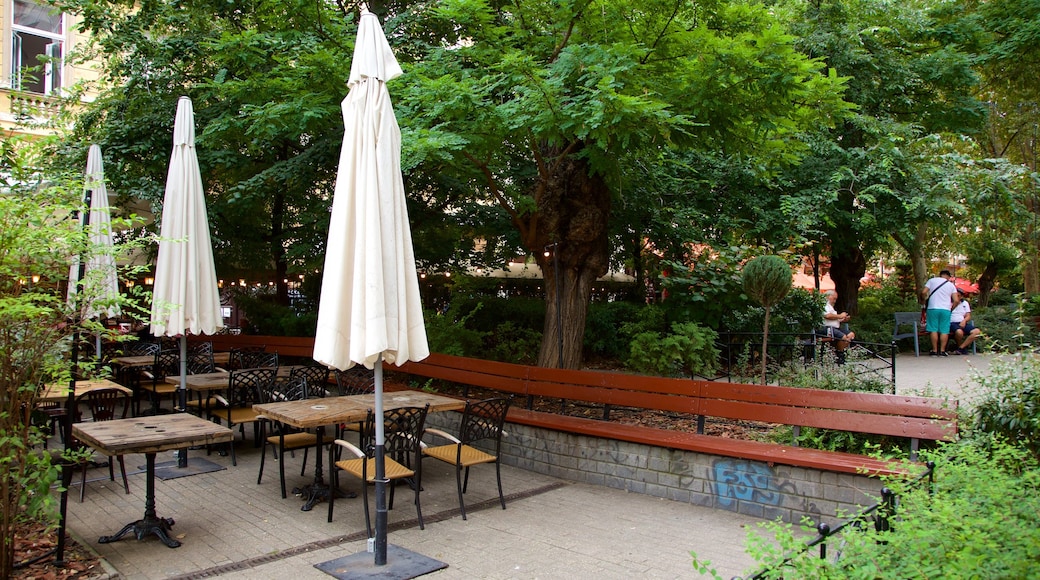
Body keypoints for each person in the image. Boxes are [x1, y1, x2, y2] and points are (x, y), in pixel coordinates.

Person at [921, 270, 956, 356]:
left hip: (933, 308)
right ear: (948, 276)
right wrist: (951, 308)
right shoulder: (951, 285)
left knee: (933, 329)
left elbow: (923, 292)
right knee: (944, 330)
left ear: (940, 275)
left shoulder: (932, 280)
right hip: (946, 309)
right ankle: (943, 351)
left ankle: (934, 350)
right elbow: (956, 300)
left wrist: (924, 300)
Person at [819, 290, 855, 360]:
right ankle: (840, 356)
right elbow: (827, 316)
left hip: (835, 328)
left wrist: (843, 319)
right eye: (834, 298)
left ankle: (841, 352)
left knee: (851, 335)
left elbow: (835, 318)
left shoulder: (830, 307)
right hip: (826, 328)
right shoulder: (824, 305)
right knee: (844, 337)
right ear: (828, 296)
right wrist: (840, 316)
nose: (835, 301)